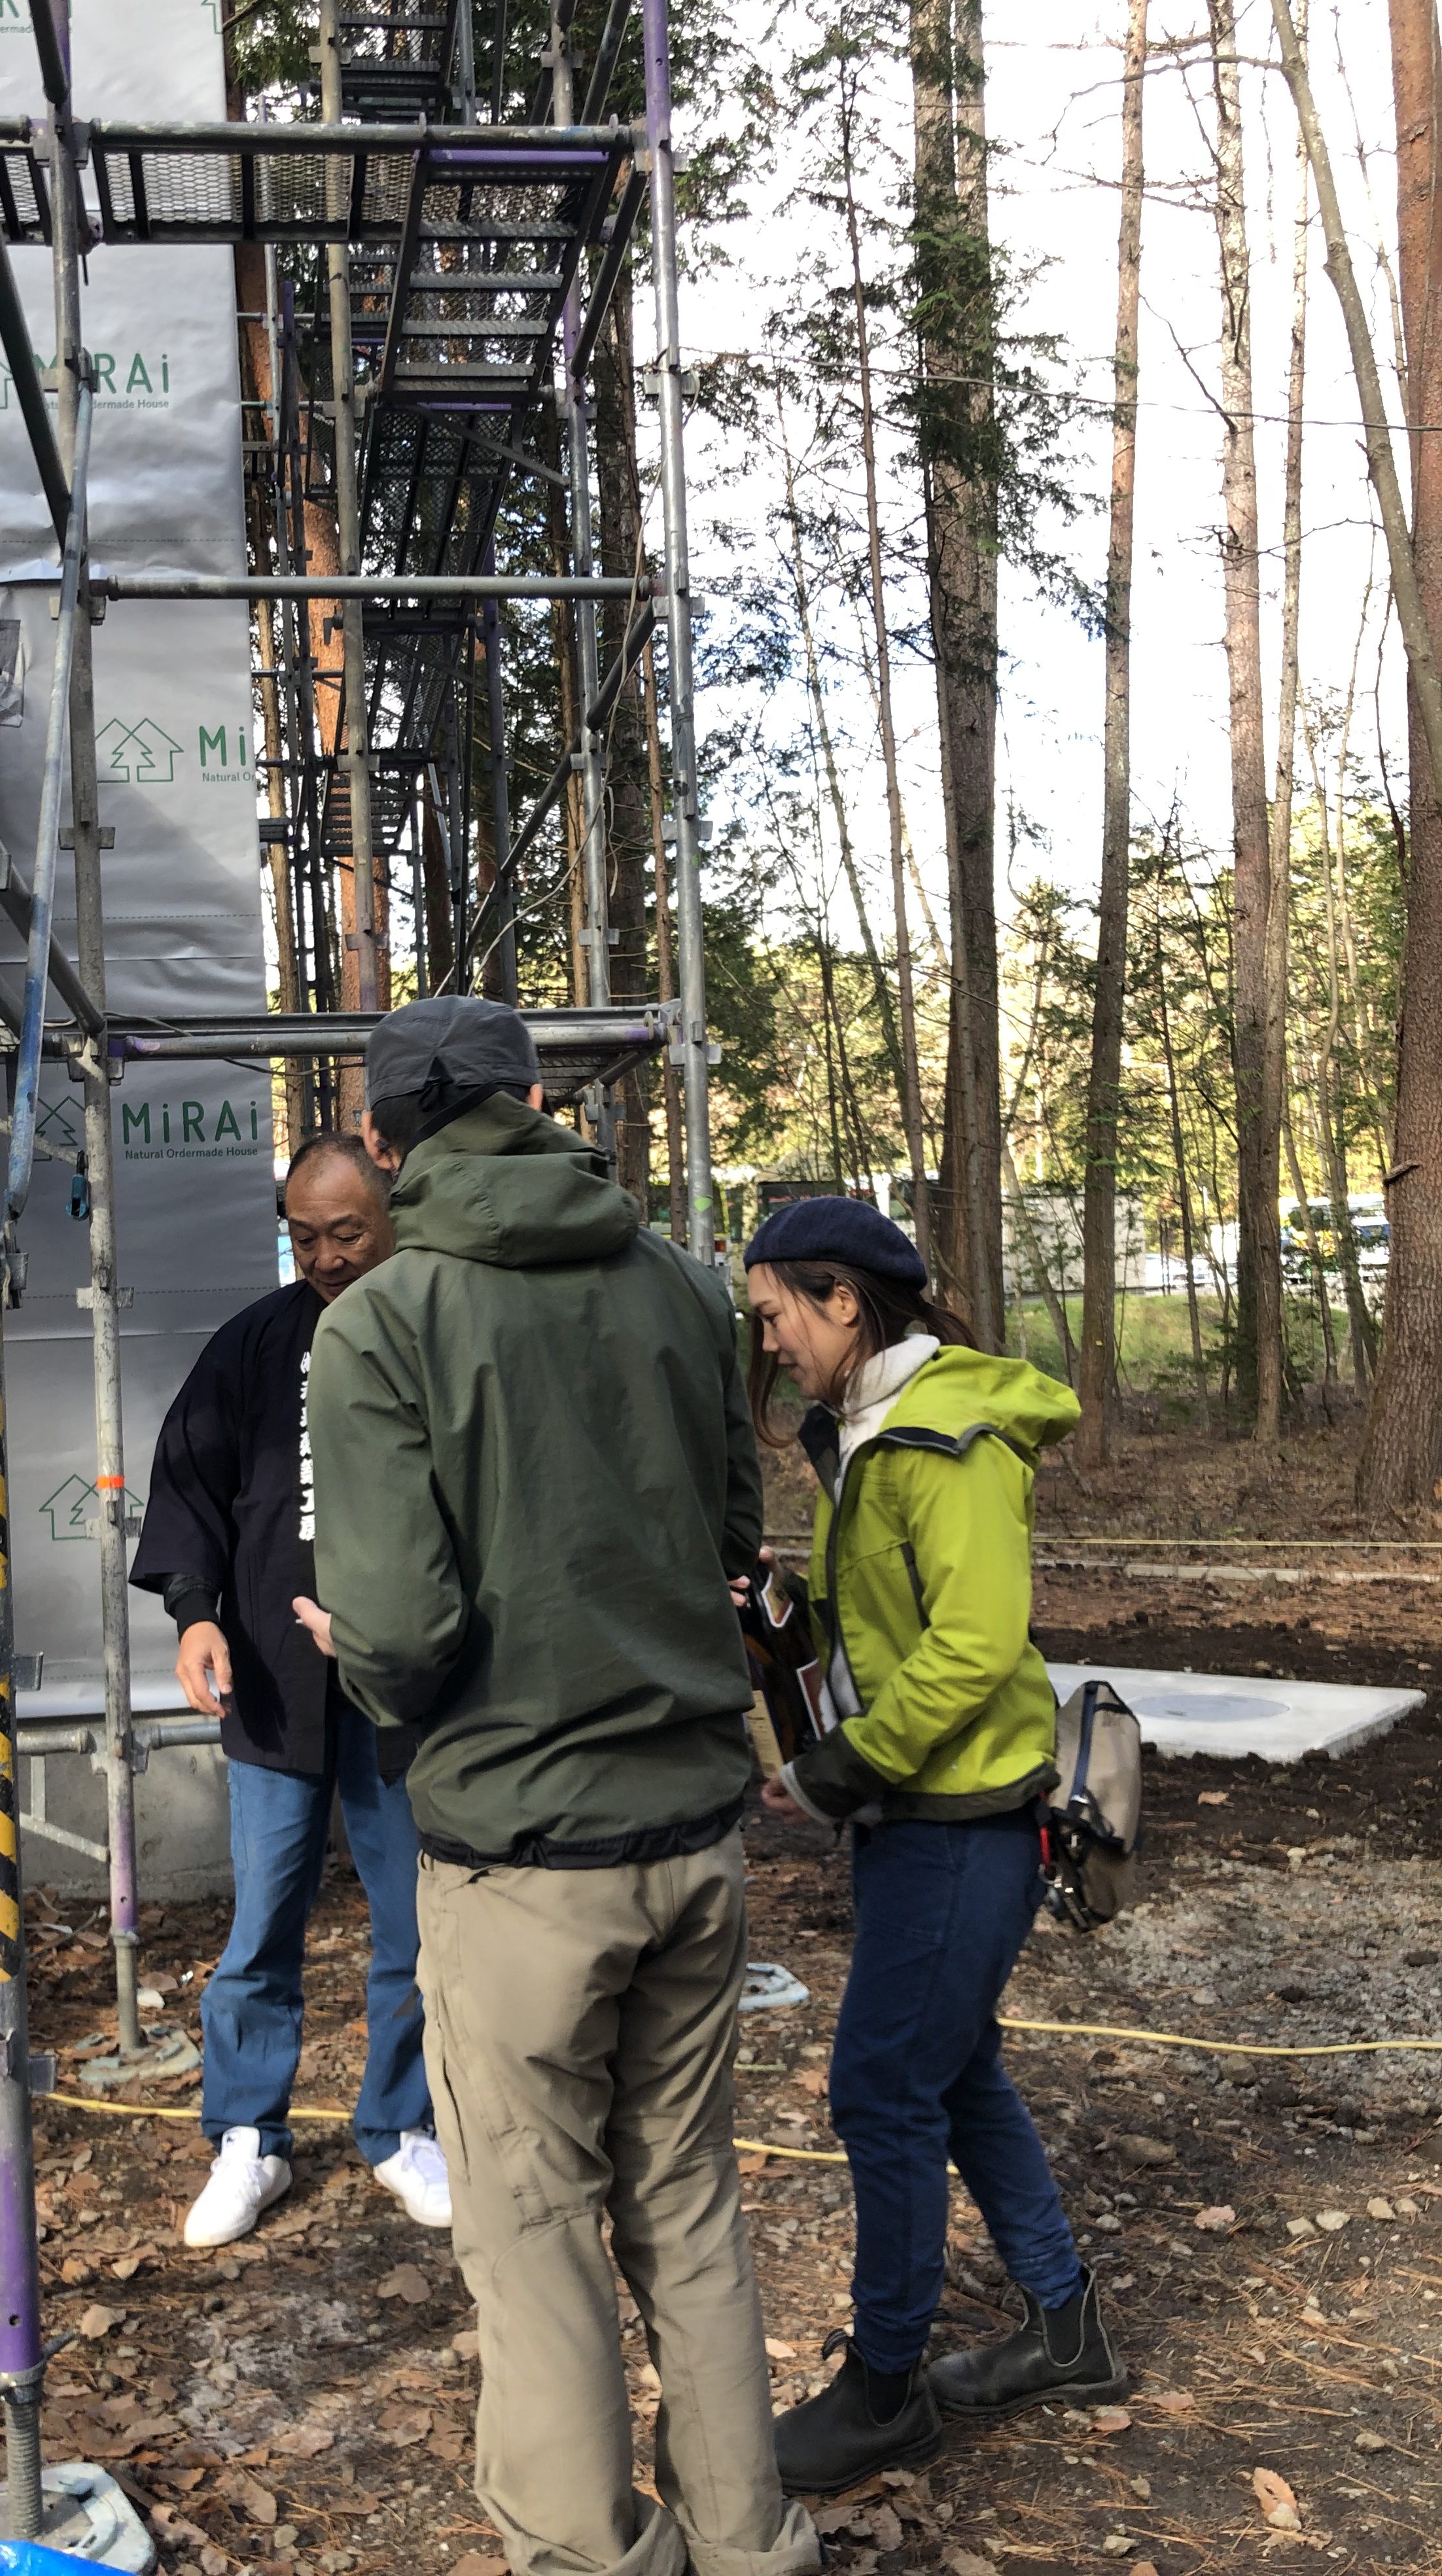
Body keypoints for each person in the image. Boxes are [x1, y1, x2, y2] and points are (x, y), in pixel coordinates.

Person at [294, 995, 820, 2576]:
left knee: (531, 2244)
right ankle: (749, 2544)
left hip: (520, 1855)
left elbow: (395, 1632)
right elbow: (737, 1532)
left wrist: (362, 1655)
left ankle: (594, 2560)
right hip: (692, 1833)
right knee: (691, 2208)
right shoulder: (675, 1279)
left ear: (384, 1147)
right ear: (534, 1097)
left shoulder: (377, 1325)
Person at [745, 1196, 1125, 2495]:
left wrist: (851, 1763)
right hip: (926, 1814)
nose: (772, 1343)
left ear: (844, 1301)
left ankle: (886, 2388)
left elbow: (972, 1641)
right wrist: (785, 1621)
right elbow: (895, 1627)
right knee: (954, 2078)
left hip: (963, 1823)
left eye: (777, 1315)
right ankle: (1068, 2332)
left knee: (880, 2091)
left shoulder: (944, 1440)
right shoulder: (864, 1433)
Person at [130, 1133, 450, 2250]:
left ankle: (404, 2126)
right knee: (260, 1928)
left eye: (346, 1233)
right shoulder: (255, 1344)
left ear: (392, 1216)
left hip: (402, 1690)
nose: (323, 1258)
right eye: (304, 1237)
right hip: (272, 1681)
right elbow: (189, 1489)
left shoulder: (435, 1331)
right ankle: (249, 2137)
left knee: (414, 1930)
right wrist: (196, 1612)